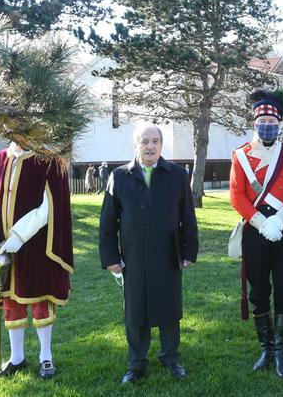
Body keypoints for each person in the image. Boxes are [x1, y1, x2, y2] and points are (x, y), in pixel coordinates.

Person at [99, 124, 199, 384]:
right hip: (133, 256)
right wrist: (110, 257)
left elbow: (188, 216)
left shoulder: (176, 175)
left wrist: (189, 250)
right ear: (136, 145)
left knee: (169, 307)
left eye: (155, 141)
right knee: (135, 311)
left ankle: (170, 357)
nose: (150, 146)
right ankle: (136, 363)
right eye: (145, 142)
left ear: (161, 145)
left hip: (168, 253)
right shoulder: (119, 177)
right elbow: (108, 222)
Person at [0, 141, 73, 379]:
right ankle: (17, 357)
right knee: (10, 300)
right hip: (3, 246)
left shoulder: (50, 161)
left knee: (41, 298)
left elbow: (49, 206)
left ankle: (46, 356)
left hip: (38, 244)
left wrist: (19, 235)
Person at [229, 90, 283, 377]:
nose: (267, 126)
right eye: (262, 121)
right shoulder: (241, 156)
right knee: (259, 291)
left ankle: (281, 353)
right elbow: (236, 196)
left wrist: (282, 219)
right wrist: (262, 222)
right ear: (254, 123)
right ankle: (266, 348)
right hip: (255, 231)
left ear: (280, 124)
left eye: (272, 122)